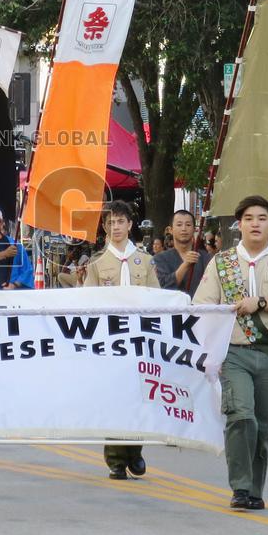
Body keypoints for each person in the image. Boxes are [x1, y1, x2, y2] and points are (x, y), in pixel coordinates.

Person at [192, 195, 268, 510]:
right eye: (249, 218)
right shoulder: (223, 262)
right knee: (241, 416)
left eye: (262, 218)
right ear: (239, 224)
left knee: (263, 424)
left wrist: (261, 302)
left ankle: (255, 489)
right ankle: (241, 487)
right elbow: (201, 307)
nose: (255, 224)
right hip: (234, 352)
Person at [83, 200, 159, 480]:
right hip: (110, 337)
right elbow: (86, 302)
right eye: (110, 223)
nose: (116, 227)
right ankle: (116, 459)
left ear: (129, 225)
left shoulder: (145, 261)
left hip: (139, 337)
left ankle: (134, 450)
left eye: (120, 222)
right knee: (115, 397)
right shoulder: (97, 263)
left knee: (138, 396)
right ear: (105, 227)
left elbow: (156, 299)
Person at [153, 209, 211, 297]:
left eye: (188, 225)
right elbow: (163, 287)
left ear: (194, 229)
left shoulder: (205, 257)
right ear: (171, 230)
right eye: (179, 225)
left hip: (199, 308)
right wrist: (185, 265)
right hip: (172, 309)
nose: (184, 229)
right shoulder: (160, 258)